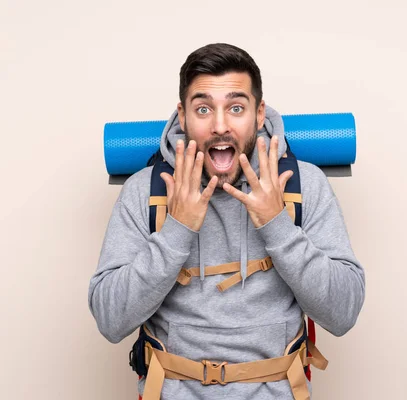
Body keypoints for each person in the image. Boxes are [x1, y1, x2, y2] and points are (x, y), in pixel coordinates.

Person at [88, 43, 365, 399]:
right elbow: (111, 321)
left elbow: (342, 314)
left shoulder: (303, 184)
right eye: (203, 109)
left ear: (259, 113)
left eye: (236, 108)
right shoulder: (146, 191)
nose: (220, 126)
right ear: (183, 116)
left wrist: (277, 224)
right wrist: (176, 230)